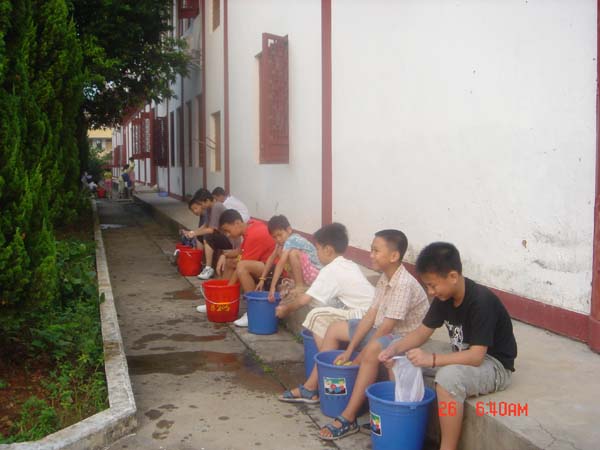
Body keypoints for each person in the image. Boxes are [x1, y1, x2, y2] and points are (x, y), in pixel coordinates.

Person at [281, 229, 429, 443]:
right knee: (334, 329)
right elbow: (370, 316)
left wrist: (358, 358)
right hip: (384, 331)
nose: (371, 255)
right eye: (371, 249)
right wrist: (350, 350)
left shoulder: (403, 284)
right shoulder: (385, 277)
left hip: (403, 339)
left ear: (394, 256)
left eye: (376, 251)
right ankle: (311, 388)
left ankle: (348, 417)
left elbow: (386, 329)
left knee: (372, 350)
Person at [378, 242, 517, 450]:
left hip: (494, 365)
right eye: (427, 286)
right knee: (401, 351)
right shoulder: (444, 297)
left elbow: (476, 357)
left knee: (447, 379)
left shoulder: (481, 302)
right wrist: (393, 351)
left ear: (452, 276)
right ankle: (403, 424)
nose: (430, 292)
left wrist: (432, 360)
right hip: (462, 352)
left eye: (432, 285)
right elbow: (421, 333)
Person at [275, 223, 374, 351]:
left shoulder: (330, 269)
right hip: (372, 312)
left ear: (328, 250)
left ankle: (327, 358)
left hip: (364, 316)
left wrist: (286, 309)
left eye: (317, 249)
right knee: (322, 305)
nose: (316, 253)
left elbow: (303, 300)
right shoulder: (350, 265)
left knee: (317, 316)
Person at [212, 209, 276, 326]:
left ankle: (253, 310)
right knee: (230, 262)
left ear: (237, 223)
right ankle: (222, 300)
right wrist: (224, 255)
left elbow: (240, 265)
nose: (227, 235)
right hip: (265, 266)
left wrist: (226, 292)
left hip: (276, 270)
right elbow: (240, 251)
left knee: (242, 266)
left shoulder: (254, 234)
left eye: (227, 230)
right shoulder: (251, 225)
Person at [257, 215, 322, 301]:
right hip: (309, 274)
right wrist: (262, 279)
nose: (278, 239)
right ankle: (298, 284)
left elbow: (281, 263)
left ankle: (300, 286)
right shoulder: (280, 244)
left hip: (317, 273)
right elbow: (271, 259)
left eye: (280, 235)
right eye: (274, 237)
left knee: (292, 253)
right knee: (280, 251)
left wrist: (272, 287)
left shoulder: (292, 239)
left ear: (289, 230)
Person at [183, 189, 234, 281]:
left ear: (207, 200)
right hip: (220, 236)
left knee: (208, 236)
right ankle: (201, 263)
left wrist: (194, 233)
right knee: (200, 236)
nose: (201, 206)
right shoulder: (209, 208)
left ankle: (208, 268)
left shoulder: (216, 206)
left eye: (201, 204)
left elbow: (211, 230)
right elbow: (205, 225)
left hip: (229, 238)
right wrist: (193, 232)